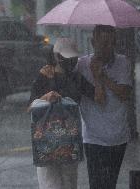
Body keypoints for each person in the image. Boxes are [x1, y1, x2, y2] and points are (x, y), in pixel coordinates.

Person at [28, 38, 95, 189]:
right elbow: (30, 106)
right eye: (66, 57)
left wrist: (98, 73)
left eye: (73, 58)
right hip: (46, 140)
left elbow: (97, 96)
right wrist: (45, 97)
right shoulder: (44, 75)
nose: (70, 61)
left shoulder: (77, 78)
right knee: (50, 183)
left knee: (70, 182)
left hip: (70, 140)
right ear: (57, 56)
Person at [75, 25, 133, 189]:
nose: (107, 48)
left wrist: (102, 76)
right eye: (102, 43)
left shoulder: (122, 62)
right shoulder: (81, 64)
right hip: (93, 136)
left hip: (117, 136)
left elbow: (124, 93)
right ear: (93, 42)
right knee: (96, 183)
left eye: (110, 43)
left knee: (110, 183)